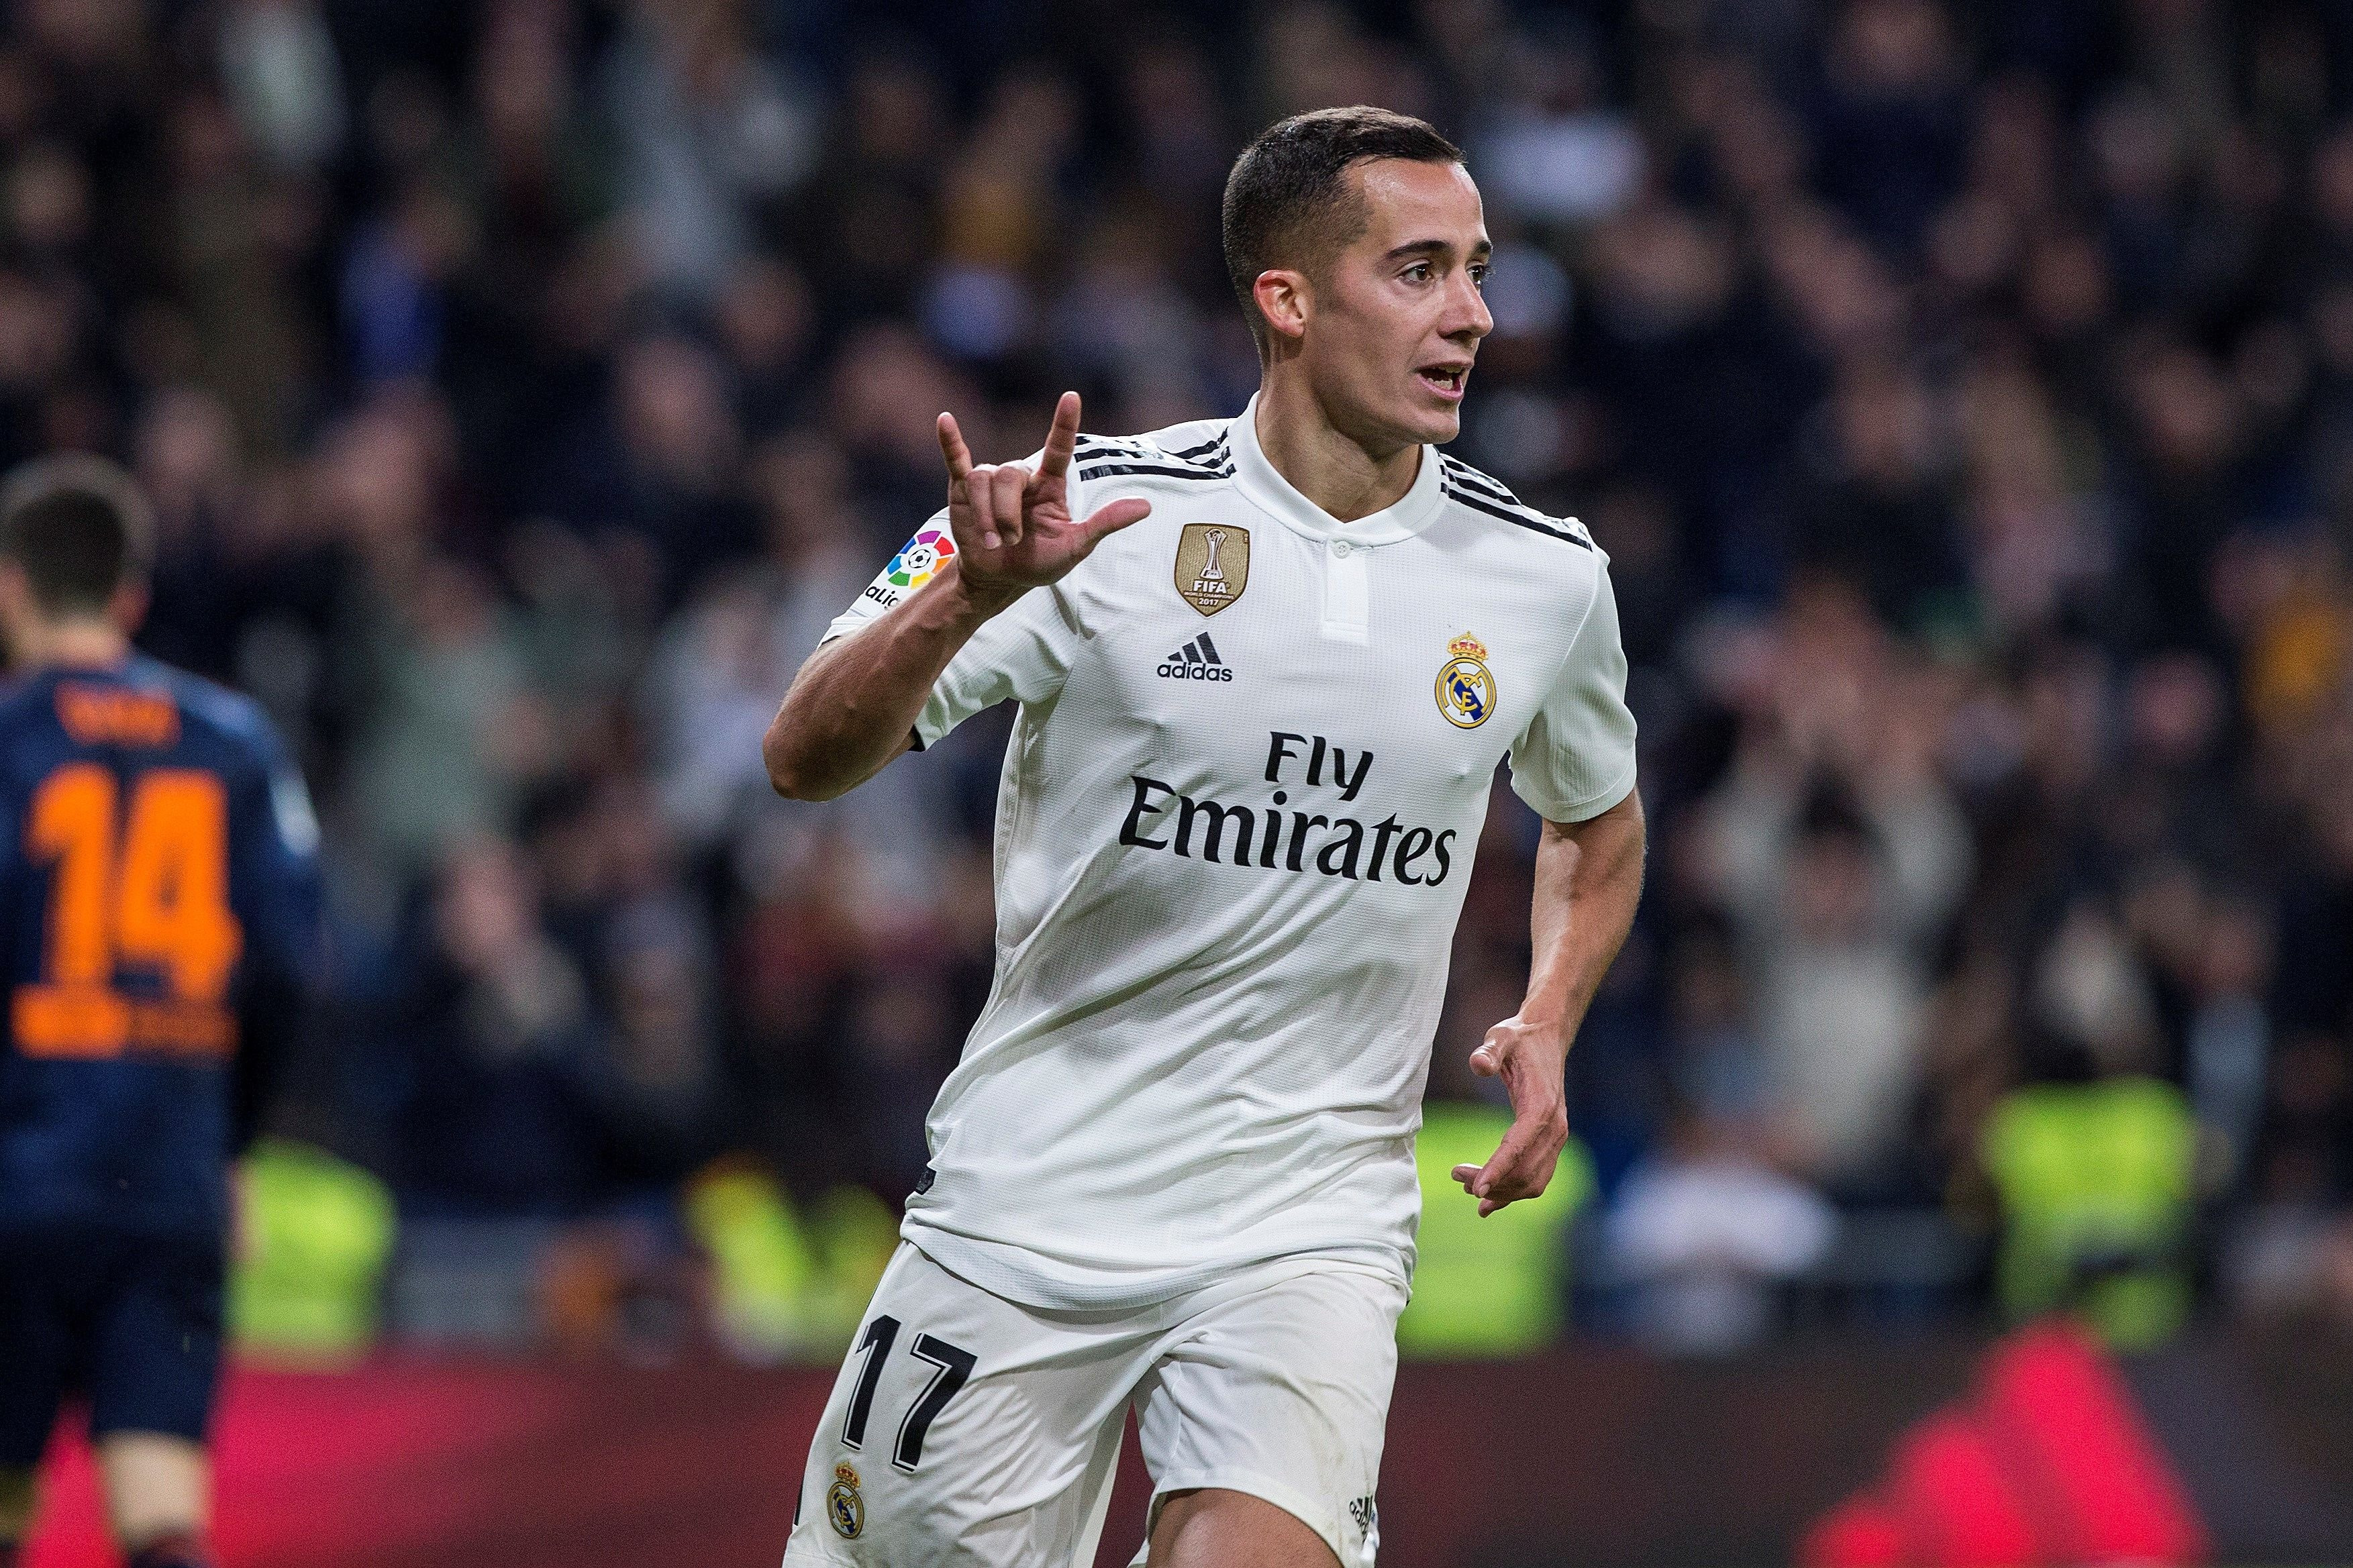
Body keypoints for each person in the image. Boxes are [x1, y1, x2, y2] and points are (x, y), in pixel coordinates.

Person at [763, 107, 1645, 1568]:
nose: (1473, 315)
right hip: (1030, 1206)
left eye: (1476, 269)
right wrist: (962, 598)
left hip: (1309, 1224)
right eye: (1418, 270)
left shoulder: (1546, 577)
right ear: (1285, 299)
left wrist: (1549, 1012)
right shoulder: (1077, 513)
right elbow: (801, 753)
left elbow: (1596, 818)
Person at [0, 456, 325, 1568]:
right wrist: (231, 1141)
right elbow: (288, 962)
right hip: (168, 1176)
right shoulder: (234, 742)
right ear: (131, 594)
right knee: (160, 1517)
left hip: (19, 1173)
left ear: (12, 586)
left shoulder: (10, 739)